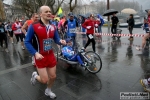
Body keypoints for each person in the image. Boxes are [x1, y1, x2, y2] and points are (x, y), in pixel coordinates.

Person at [24, 6, 66, 99]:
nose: (49, 13)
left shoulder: (53, 26)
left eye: (50, 11)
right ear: (40, 14)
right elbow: (27, 41)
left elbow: (56, 39)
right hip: (40, 56)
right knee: (44, 80)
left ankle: (48, 91)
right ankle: (35, 76)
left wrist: (60, 41)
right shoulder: (33, 26)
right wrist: (35, 53)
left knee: (53, 76)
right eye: (46, 11)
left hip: (50, 55)